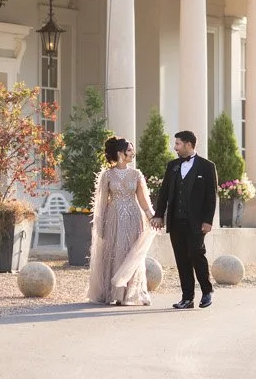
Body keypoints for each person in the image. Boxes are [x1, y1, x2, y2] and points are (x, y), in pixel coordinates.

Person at [86, 135, 156, 306]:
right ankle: (114, 293)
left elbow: (143, 199)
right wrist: (100, 225)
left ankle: (130, 294)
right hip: (113, 218)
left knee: (131, 253)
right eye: (130, 150)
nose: (133, 153)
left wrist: (152, 217)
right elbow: (102, 203)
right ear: (120, 153)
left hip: (133, 216)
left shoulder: (136, 174)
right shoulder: (107, 175)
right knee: (114, 252)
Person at [152, 129, 217, 310]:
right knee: (181, 259)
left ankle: (207, 291)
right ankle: (187, 298)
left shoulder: (206, 166)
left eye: (178, 144)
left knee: (196, 254)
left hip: (196, 222)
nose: (175, 148)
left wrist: (208, 221)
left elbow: (211, 197)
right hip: (176, 220)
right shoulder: (172, 166)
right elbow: (164, 192)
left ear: (189, 144)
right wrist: (159, 214)